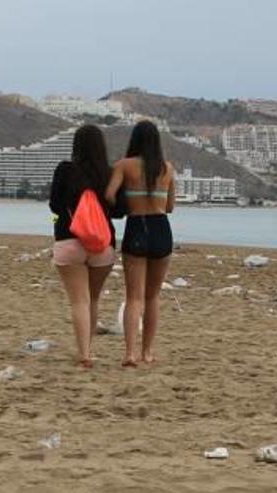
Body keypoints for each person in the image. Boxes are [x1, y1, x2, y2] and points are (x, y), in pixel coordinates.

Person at [106, 121, 175, 367]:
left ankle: (130, 354)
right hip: (161, 229)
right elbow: (170, 207)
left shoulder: (124, 166)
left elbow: (109, 194)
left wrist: (125, 201)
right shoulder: (167, 168)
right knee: (153, 297)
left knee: (134, 297)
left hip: (137, 227)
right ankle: (147, 352)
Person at [48, 125, 116, 368]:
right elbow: (118, 211)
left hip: (69, 240)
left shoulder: (65, 170)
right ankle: (89, 349)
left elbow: (54, 205)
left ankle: (83, 354)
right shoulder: (108, 173)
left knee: (79, 301)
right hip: (102, 244)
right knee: (93, 299)